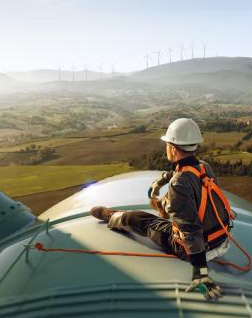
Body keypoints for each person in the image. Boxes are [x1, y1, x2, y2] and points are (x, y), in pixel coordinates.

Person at [90, 118, 234, 301]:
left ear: (173, 148)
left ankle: (111, 216)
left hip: (199, 250)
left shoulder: (179, 184)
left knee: (141, 220)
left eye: (167, 144)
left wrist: (201, 273)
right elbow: (181, 172)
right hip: (222, 240)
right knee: (173, 213)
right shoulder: (204, 167)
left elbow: (191, 231)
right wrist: (160, 181)